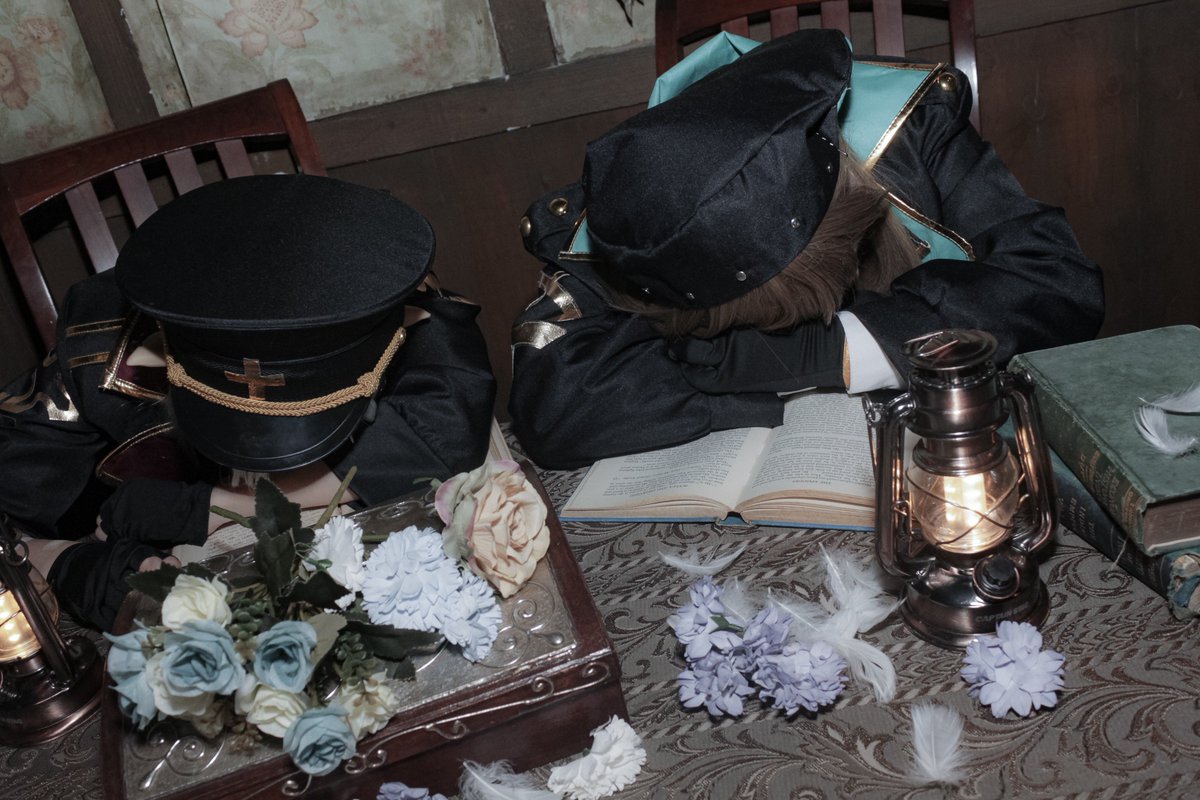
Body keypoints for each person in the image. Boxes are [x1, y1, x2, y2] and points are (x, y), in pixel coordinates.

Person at [509, 29, 1103, 468]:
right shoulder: (644, 210)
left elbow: (1058, 283)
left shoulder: (911, 128)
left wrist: (828, 351)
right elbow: (557, 410)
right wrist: (744, 377)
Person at [0, 174, 496, 631]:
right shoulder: (98, 350)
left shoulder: (394, 307)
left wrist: (215, 506)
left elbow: (445, 439)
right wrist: (62, 562)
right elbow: (14, 494)